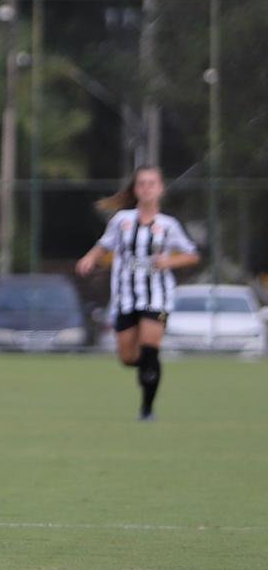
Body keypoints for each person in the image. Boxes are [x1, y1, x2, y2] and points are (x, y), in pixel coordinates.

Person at [75, 165, 199, 420]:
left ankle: (147, 409)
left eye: (151, 183)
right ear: (135, 189)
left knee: (150, 347)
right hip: (125, 298)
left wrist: (169, 262)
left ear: (160, 189)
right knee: (128, 357)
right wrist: (89, 258)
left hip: (157, 297)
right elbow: (103, 245)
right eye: (141, 183)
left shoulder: (168, 225)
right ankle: (149, 369)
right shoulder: (122, 221)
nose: (146, 188)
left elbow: (192, 255)